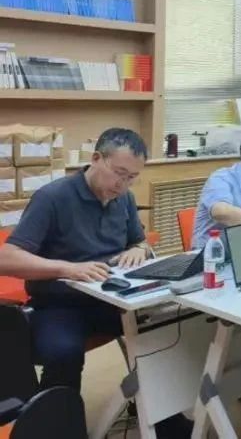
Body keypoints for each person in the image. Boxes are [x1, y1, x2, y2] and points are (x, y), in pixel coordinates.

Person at [0, 128, 192, 437]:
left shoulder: (124, 198)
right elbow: (6, 259)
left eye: (132, 177)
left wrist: (139, 249)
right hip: (60, 303)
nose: (123, 184)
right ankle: (58, 427)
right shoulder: (53, 197)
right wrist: (69, 269)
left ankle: (163, 420)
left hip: (112, 299)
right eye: (119, 173)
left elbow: (140, 241)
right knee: (63, 353)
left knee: (161, 332)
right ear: (96, 159)